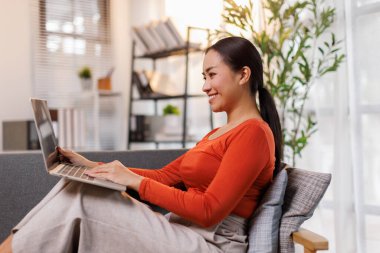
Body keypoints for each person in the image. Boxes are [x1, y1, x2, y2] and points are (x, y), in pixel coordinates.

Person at [0, 36, 282, 253]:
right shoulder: (216, 134)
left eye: (212, 74)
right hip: (181, 231)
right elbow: (164, 177)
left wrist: (134, 181)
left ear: (243, 75)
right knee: (76, 183)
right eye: (203, 77)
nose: (205, 86)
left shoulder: (254, 134)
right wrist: (94, 167)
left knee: (84, 198)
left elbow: (210, 210)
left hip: (209, 243)